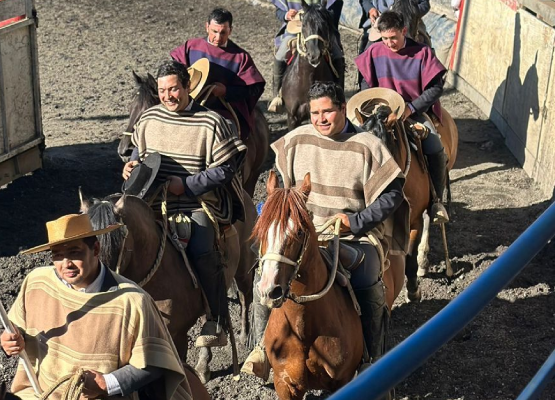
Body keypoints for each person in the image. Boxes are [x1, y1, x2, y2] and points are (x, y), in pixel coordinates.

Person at [242, 81, 408, 379]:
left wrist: (355, 221)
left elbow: (392, 195)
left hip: (351, 234)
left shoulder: (368, 145)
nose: (320, 119)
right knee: (264, 270)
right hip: (302, 231)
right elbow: (282, 191)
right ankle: (258, 348)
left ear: (343, 109)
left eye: (327, 111)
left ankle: (373, 358)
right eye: (315, 113)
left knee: (369, 274)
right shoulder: (295, 141)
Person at [122, 60, 247, 348]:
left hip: (196, 203)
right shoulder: (149, 119)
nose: (168, 96)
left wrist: (187, 185)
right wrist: (129, 167)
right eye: (163, 91)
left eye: (174, 89)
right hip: (152, 200)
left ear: (187, 86)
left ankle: (215, 319)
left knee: (202, 245)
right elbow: (138, 156)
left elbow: (226, 169)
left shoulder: (211, 122)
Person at [0, 214, 192, 400]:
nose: (66, 264)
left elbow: (154, 363)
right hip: (37, 392)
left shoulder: (132, 301)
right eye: (57, 255)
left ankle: (214, 314)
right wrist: (9, 342)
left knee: (204, 253)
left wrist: (107, 383)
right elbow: (16, 330)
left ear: (96, 249)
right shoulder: (37, 283)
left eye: (74, 253)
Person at [355, 10, 449, 224]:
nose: (389, 43)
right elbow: (365, 83)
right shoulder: (374, 51)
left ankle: (436, 201)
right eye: (385, 38)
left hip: (412, 112)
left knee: (435, 147)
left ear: (404, 31)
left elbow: (435, 89)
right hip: (378, 113)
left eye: (394, 38)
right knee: (350, 139)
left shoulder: (423, 53)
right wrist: (373, 101)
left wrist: (410, 108)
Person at [170, 8, 265, 140]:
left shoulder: (240, 57)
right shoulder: (191, 47)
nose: (218, 38)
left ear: (230, 30)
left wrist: (226, 91)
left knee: (229, 136)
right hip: (187, 104)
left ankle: (230, 161)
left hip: (221, 111)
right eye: (214, 31)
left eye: (223, 32)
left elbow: (252, 89)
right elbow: (172, 70)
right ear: (207, 27)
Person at [267, 0, 345, 113]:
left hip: (319, 28)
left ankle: (340, 96)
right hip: (296, 28)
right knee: (281, 54)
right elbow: (279, 11)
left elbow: (335, 8)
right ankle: (277, 96)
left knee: (337, 53)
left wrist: (323, 14)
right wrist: (286, 15)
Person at [357, 0, 431, 55]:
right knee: (367, 52)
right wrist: (370, 9)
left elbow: (425, 4)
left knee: (425, 47)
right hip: (382, 19)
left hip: (409, 19)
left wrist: (411, 12)